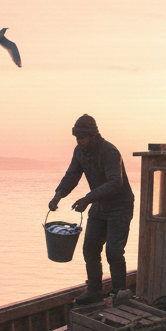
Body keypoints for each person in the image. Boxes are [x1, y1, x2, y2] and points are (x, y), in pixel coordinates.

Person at [48, 114, 134, 304]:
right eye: (77, 138)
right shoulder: (80, 151)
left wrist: (88, 198)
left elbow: (115, 182)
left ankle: (119, 292)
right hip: (99, 206)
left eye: (82, 138)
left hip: (120, 206)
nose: (79, 142)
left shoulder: (109, 151)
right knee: (90, 249)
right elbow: (72, 174)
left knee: (114, 251)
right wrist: (58, 195)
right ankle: (95, 291)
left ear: (93, 136)